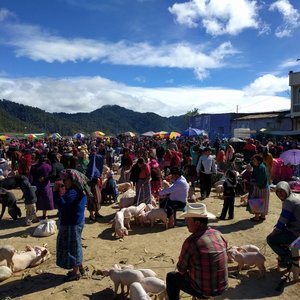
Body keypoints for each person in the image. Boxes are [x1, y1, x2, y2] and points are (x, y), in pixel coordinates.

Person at [166, 203, 228, 299]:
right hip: (222, 287)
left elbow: (181, 269)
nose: (185, 223)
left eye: (188, 220)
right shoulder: (218, 234)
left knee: (171, 277)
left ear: (197, 223)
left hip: (204, 290)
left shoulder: (191, 242)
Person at [53, 169, 91, 282]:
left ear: (73, 180)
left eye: (66, 179)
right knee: (76, 244)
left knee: (71, 248)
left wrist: (56, 192)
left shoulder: (73, 192)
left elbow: (61, 205)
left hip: (71, 223)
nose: (64, 181)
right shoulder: (79, 190)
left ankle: (75, 272)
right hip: (75, 221)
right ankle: (80, 267)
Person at [266, 181, 300, 268]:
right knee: (280, 232)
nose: (280, 194)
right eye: (278, 191)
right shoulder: (295, 196)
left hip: (297, 234)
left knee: (270, 239)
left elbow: (283, 219)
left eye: (282, 191)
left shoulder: (288, 201)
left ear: (287, 190)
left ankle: (287, 258)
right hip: (296, 228)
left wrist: (276, 230)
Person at [29, 153, 54, 219]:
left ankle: (33, 215)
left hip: (36, 185)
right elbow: (51, 175)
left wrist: (30, 185)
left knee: (35, 201)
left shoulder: (33, 167)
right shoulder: (48, 166)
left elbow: (31, 178)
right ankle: (44, 215)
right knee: (45, 201)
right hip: (46, 186)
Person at [248, 154, 270, 222]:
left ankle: (257, 217)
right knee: (264, 202)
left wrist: (254, 182)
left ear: (259, 161)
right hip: (264, 187)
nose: (253, 161)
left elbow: (261, 179)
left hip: (261, 187)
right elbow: (251, 163)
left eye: (255, 160)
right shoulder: (258, 166)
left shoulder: (261, 168)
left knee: (257, 201)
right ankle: (262, 216)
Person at [85, 147, 104, 221]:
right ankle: (91, 215)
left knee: (97, 198)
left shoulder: (94, 159)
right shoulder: (89, 162)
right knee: (91, 199)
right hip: (91, 183)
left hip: (95, 183)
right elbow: (90, 173)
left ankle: (96, 212)